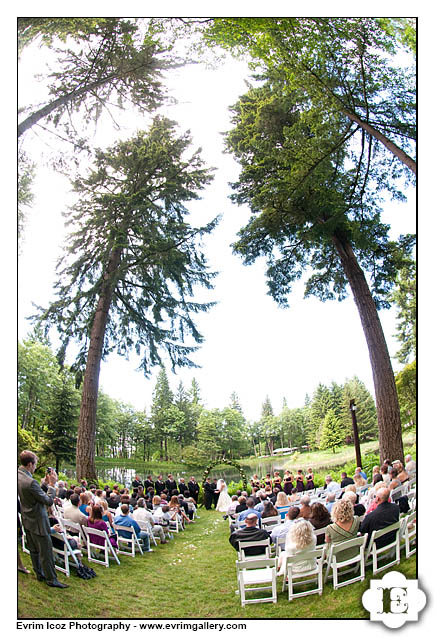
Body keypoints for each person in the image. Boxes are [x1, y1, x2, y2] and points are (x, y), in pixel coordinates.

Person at [17, 450, 68, 588]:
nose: (35, 467)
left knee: (33, 550)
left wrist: (44, 485)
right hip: (38, 521)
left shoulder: (19, 475)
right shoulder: (31, 482)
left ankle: (39, 574)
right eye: (35, 464)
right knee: (46, 552)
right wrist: (52, 485)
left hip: (27, 519)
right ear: (29, 464)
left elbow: (34, 493)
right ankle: (51, 579)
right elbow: (48, 501)